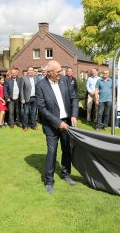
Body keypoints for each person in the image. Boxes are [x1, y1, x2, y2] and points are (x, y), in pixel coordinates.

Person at [35, 60, 78, 194]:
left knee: (67, 150)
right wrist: (58, 123)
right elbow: (42, 109)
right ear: (49, 73)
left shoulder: (64, 80)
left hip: (67, 122)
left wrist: (74, 115)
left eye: (61, 71)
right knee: (52, 152)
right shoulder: (40, 86)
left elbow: (74, 99)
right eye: (58, 71)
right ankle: (49, 181)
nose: (61, 73)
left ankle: (66, 174)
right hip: (52, 125)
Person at [20, 66, 40, 131]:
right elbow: (21, 89)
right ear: (28, 71)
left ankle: (34, 125)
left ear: (33, 71)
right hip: (27, 98)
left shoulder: (36, 78)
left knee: (34, 113)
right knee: (26, 112)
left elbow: (38, 88)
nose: (31, 71)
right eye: (30, 70)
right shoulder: (23, 78)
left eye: (32, 70)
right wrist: (22, 98)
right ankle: (25, 126)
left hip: (35, 98)